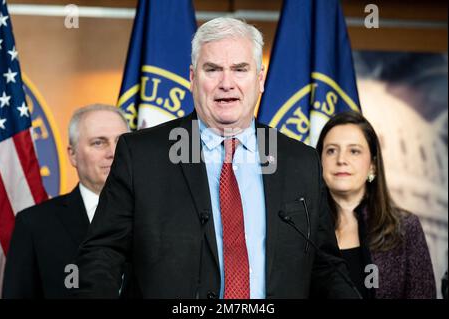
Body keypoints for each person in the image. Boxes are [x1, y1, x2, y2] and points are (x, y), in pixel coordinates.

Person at [73, 17, 359, 299]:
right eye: (212, 69)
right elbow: (103, 254)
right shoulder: (141, 155)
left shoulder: (300, 161)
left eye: (239, 69)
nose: (227, 83)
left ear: (260, 79)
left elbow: (326, 267)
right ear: (192, 78)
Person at [2, 104, 129, 298]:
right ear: (72, 155)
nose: (113, 152)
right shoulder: (34, 224)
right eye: (98, 142)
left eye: (121, 142)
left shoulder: (159, 216)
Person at [316, 111, 436, 299]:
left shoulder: (405, 228)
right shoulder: (304, 229)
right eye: (331, 150)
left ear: (372, 165)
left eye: (354, 151)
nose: (341, 160)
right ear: (319, 161)